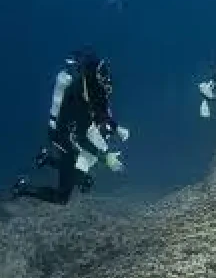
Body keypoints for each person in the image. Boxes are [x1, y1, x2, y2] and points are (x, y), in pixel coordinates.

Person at [11, 48, 130, 205]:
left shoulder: (93, 87)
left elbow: (102, 113)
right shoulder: (79, 100)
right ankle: (22, 188)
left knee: (80, 172)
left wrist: (116, 127)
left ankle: (45, 159)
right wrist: (105, 158)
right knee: (63, 197)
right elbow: (81, 139)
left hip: (74, 133)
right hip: (62, 138)